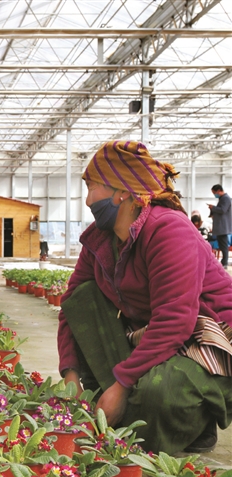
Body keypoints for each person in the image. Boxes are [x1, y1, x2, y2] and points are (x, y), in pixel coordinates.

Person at [57, 140, 232, 454]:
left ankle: (199, 415)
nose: (88, 200)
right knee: (84, 296)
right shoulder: (100, 239)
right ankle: (143, 404)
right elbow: (72, 305)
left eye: (92, 188)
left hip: (207, 338)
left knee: (158, 396)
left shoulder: (169, 229)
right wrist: (70, 374)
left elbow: (176, 320)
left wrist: (122, 385)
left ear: (122, 192)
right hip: (155, 335)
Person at [208, 184, 231, 268]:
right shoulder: (222, 198)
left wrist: (213, 208)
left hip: (223, 227)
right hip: (221, 227)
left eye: (214, 193)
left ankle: (224, 263)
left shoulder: (226, 198)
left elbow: (223, 210)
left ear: (218, 191)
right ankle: (223, 262)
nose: (214, 195)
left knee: (224, 245)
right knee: (222, 245)